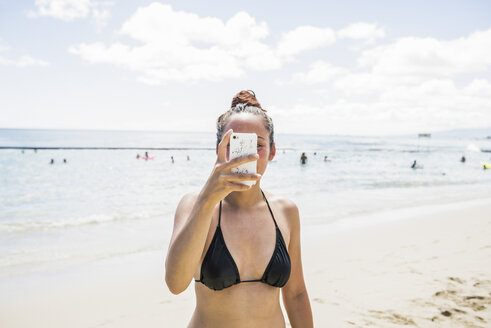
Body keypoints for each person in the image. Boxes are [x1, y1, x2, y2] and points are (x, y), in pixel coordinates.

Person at [165, 90, 313, 327]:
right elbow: (175, 283)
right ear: (219, 149)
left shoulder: (285, 211)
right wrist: (207, 198)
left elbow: (296, 294)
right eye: (237, 145)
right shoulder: (195, 205)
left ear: (273, 152)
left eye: (259, 145)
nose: (248, 154)